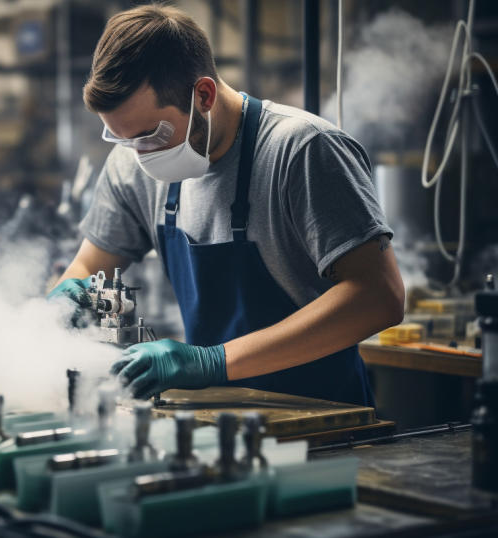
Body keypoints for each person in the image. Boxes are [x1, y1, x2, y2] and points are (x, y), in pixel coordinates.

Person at [48, 5, 404, 406]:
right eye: (124, 139)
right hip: (215, 422)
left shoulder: (302, 150)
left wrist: (212, 362)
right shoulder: (132, 166)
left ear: (203, 94)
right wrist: (66, 297)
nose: (140, 153)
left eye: (151, 134)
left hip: (320, 418)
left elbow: (379, 296)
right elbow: (87, 268)